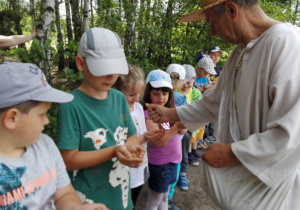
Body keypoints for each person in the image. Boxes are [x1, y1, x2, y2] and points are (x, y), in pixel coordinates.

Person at [146, 0, 300, 209]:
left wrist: (232, 153)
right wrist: (168, 114)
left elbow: (293, 133)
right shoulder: (239, 53)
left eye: (212, 21)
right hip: (245, 187)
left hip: (275, 192)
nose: (212, 32)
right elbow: (212, 103)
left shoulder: (287, 43)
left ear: (231, 9)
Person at [57, 28, 146, 210]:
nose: (111, 76)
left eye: (116, 69)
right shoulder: (71, 106)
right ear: (81, 64)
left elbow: (130, 136)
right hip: (88, 201)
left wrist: (131, 150)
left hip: (121, 198)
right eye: (103, 69)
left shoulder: (120, 98)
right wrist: (114, 151)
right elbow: (68, 160)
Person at [0, 62, 107, 210]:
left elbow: (63, 194)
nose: (47, 121)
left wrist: (76, 208)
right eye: (42, 114)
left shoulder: (46, 145)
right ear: (12, 118)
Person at [113, 64, 164, 209]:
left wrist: (148, 135)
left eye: (139, 94)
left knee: (134, 199)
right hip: (123, 168)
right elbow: (120, 142)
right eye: (131, 94)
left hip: (140, 165)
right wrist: (144, 138)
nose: (136, 98)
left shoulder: (139, 108)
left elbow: (141, 131)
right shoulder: (116, 111)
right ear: (117, 90)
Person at [143, 70, 187, 210]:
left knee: (164, 198)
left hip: (174, 162)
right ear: (148, 94)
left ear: (170, 94)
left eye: (165, 93)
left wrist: (180, 119)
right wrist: (177, 125)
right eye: (155, 93)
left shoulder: (172, 110)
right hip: (160, 164)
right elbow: (158, 141)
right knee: (154, 201)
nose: (160, 97)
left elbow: (184, 131)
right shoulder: (149, 114)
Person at [176, 64, 203, 191]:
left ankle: (183, 175)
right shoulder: (174, 92)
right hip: (174, 129)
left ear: (194, 78)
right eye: (183, 82)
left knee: (185, 152)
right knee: (175, 151)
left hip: (188, 129)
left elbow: (201, 110)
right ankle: (175, 174)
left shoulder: (196, 93)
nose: (185, 85)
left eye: (188, 82)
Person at [165, 63, 187, 210]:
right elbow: (184, 128)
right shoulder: (181, 98)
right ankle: (168, 198)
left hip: (160, 141)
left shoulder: (159, 94)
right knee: (174, 172)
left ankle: (160, 196)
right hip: (176, 144)